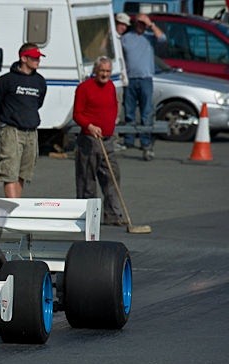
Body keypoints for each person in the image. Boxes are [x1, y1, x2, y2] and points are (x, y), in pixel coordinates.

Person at [0, 43, 47, 198]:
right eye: (34, 58)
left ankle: (17, 207)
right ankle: (13, 210)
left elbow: (38, 103)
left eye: (38, 58)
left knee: (24, 173)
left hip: (31, 131)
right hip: (12, 131)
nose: (37, 61)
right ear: (23, 58)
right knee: (9, 172)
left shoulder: (40, 81)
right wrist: (7, 118)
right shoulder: (6, 80)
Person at [73, 56, 125, 226]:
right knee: (87, 179)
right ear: (95, 71)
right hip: (89, 139)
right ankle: (87, 217)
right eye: (102, 71)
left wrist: (113, 121)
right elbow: (77, 114)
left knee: (112, 176)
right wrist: (90, 126)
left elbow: (114, 105)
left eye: (108, 71)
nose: (105, 74)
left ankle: (113, 215)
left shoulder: (110, 86)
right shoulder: (84, 88)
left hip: (107, 139)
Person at [121, 13, 166, 161]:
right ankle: (129, 140)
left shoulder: (149, 37)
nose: (141, 25)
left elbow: (163, 39)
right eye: (139, 23)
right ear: (135, 24)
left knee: (146, 112)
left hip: (146, 79)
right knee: (129, 112)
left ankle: (145, 142)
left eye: (143, 23)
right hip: (131, 79)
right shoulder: (126, 38)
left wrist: (151, 24)